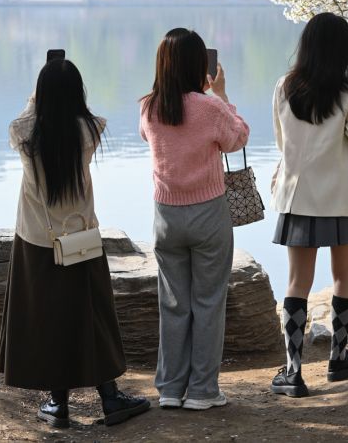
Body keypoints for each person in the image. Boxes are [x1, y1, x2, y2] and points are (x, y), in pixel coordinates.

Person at [0, 58, 150, 428]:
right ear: (77, 93)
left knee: (47, 319)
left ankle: (57, 403)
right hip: (81, 240)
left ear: (42, 94)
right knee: (91, 314)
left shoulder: (24, 133)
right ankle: (110, 398)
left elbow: (24, 119)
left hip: (37, 241)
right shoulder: (90, 130)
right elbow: (89, 116)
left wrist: (35, 100)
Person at [139, 28, 249, 410]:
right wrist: (221, 95)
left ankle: (170, 388)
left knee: (173, 303)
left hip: (165, 215)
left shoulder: (149, 107)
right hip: (208, 213)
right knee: (208, 302)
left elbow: (146, 138)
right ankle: (202, 390)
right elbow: (239, 138)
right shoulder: (209, 107)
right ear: (201, 65)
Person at [270, 12, 348, 398]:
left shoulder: (284, 86)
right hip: (342, 198)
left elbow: (283, 145)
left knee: (298, 281)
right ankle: (339, 359)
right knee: (344, 276)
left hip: (298, 197)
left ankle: (293, 372)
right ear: (344, 50)